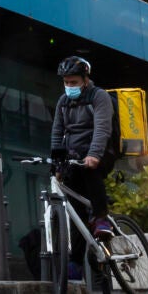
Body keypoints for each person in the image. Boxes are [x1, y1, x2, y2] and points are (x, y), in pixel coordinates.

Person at [49, 55, 116, 277]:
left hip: (100, 151)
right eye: (66, 82)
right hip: (74, 155)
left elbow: (102, 128)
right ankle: (76, 262)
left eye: (74, 82)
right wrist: (57, 162)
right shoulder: (63, 102)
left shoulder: (99, 97)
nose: (69, 86)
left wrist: (94, 155)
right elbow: (57, 132)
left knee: (90, 173)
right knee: (75, 209)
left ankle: (101, 219)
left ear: (85, 80)